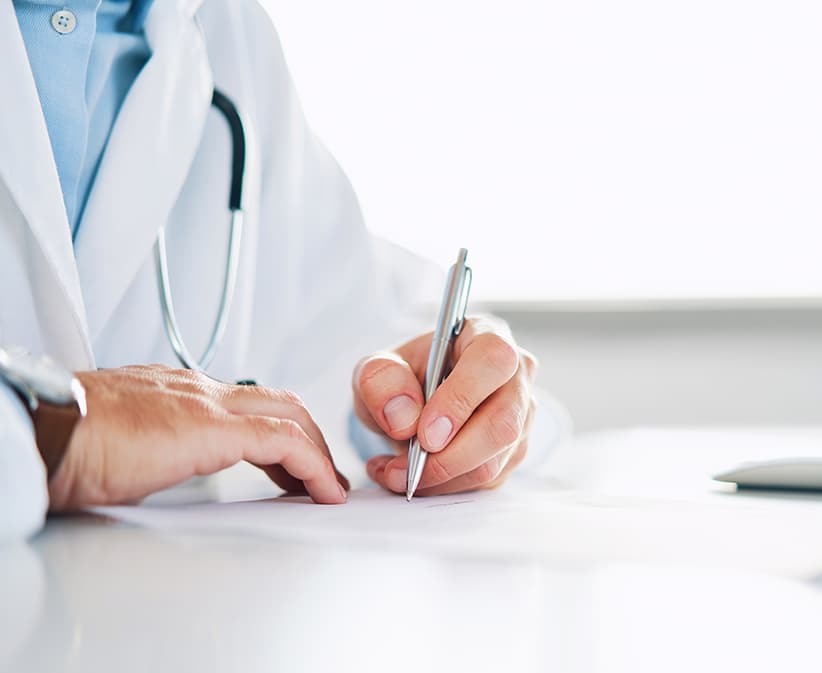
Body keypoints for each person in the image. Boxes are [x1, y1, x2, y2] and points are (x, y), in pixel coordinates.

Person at [0, 0, 539, 540]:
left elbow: (340, 325)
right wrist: (50, 425)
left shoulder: (225, 29)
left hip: (163, 609)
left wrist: (427, 404)